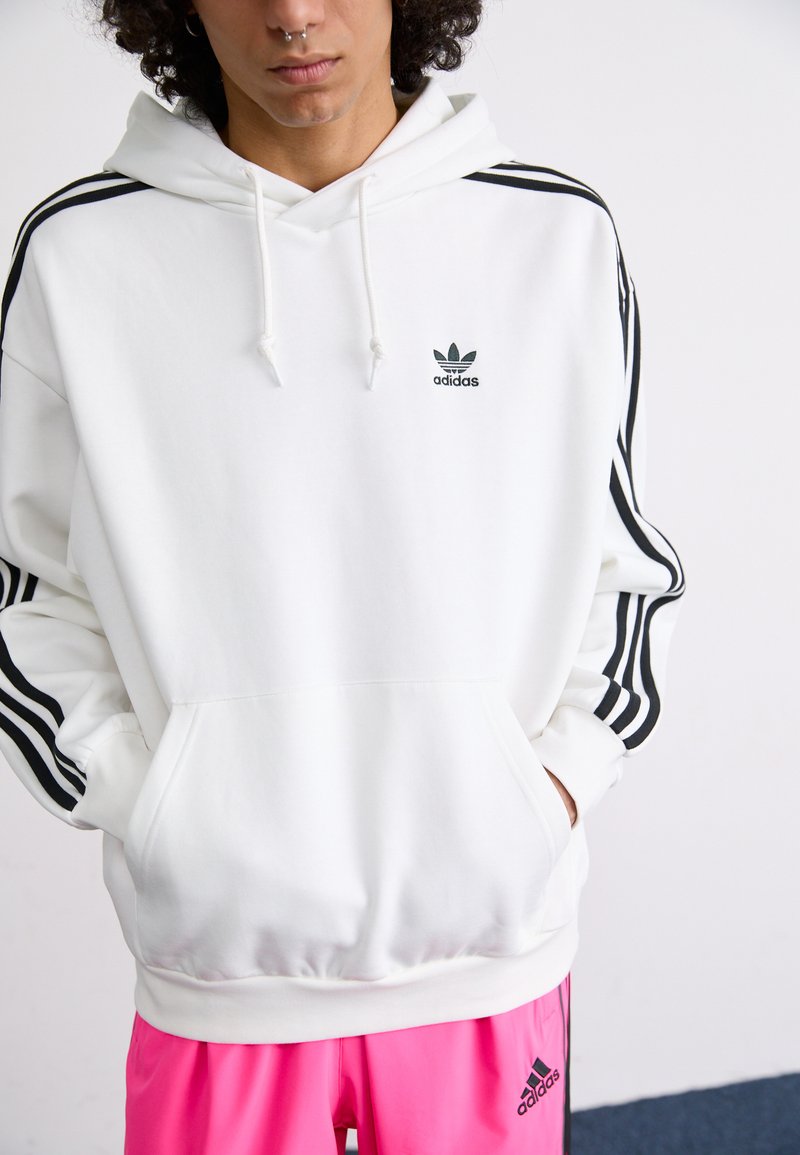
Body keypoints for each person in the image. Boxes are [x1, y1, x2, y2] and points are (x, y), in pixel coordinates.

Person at [0, 1, 685, 1152]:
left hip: (486, 958)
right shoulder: (81, 255)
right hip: (221, 974)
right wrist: (153, 809)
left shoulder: (552, 235)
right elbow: (23, 586)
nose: (292, 15)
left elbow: (627, 563)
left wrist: (543, 793)